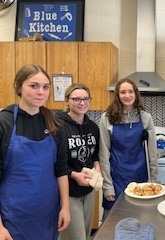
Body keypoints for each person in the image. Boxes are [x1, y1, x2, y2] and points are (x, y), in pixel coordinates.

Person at [0, 64, 70, 240]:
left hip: (48, 215)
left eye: (46, 87)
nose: (41, 92)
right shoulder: (4, 123)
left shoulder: (54, 124)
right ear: (18, 86)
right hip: (13, 217)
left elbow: (61, 170)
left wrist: (66, 207)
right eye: (34, 86)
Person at [99, 78, 158, 216]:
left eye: (130, 91)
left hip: (140, 177)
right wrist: (107, 187)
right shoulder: (107, 118)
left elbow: (152, 153)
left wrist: (153, 182)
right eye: (123, 92)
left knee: (140, 219)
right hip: (116, 178)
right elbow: (104, 153)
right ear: (117, 96)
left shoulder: (145, 118)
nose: (127, 95)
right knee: (113, 222)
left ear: (136, 94)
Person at [56, 83, 100, 240]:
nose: (82, 103)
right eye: (76, 99)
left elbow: (94, 156)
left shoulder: (93, 127)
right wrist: (74, 175)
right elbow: (52, 161)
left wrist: (97, 168)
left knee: (86, 235)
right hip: (68, 192)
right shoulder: (57, 125)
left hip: (88, 191)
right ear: (67, 100)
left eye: (85, 99)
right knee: (76, 237)